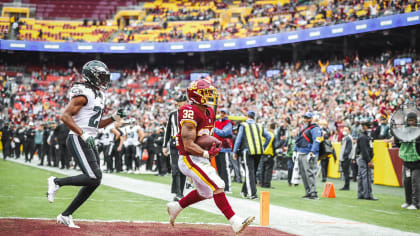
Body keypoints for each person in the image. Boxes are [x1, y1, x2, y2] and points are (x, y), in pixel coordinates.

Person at [166, 79, 255, 234]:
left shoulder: (210, 111)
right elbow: (188, 144)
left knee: (206, 193)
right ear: (196, 95)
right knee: (218, 184)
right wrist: (206, 152)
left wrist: (212, 145)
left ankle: (176, 207)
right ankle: (235, 222)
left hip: (200, 157)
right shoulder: (189, 111)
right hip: (188, 158)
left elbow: (205, 136)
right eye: (206, 93)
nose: (209, 96)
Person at [46, 60, 126, 228]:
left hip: (88, 137)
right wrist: (82, 135)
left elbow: (96, 125)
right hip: (77, 137)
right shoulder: (83, 93)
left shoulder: (99, 94)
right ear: (92, 76)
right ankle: (56, 182)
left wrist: (115, 117)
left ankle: (66, 215)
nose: (105, 80)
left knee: (95, 180)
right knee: (93, 176)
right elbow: (65, 116)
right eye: (102, 77)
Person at [233, 110, 271, 199]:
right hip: (258, 151)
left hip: (248, 151)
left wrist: (235, 151)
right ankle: (244, 191)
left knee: (250, 172)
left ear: (247, 116)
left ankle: (252, 194)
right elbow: (268, 137)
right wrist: (263, 147)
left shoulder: (244, 125)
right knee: (252, 172)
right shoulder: (259, 125)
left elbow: (238, 139)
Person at [390, 112, 420, 210]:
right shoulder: (403, 130)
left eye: (413, 120)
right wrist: (395, 133)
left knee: (416, 182)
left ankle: (416, 203)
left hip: (417, 161)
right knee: (406, 182)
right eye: (409, 120)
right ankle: (408, 201)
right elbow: (398, 143)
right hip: (407, 160)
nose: (411, 122)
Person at [163, 91, 187, 201]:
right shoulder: (173, 114)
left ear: (185, 102)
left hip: (185, 144)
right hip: (174, 143)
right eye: (177, 102)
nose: (178, 103)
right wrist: (164, 145)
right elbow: (167, 130)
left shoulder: (190, 114)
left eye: (180, 102)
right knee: (175, 168)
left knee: (183, 169)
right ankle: (178, 192)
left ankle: (180, 191)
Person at [294, 112, 322, 199]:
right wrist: (295, 150)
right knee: (303, 174)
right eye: (305, 118)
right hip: (301, 152)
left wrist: (312, 152)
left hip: (309, 153)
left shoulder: (315, 128)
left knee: (310, 173)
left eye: (308, 118)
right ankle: (308, 191)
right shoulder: (302, 127)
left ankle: (313, 192)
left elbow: (316, 140)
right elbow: (298, 139)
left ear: (311, 119)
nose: (306, 119)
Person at [356, 119, 378, 200]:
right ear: (365, 127)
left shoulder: (362, 136)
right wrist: (369, 160)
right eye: (369, 126)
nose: (370, 128)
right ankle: (368, 194)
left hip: (361, 158)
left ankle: (361, 194)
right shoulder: (364, 137)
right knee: (367, 177)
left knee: (361, 176)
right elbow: (365, 150)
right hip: (364, 159)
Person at [214, 107, 233, 193]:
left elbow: (224, 133)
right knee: (219, 168)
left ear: (227, 114)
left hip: (225, 148)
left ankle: (227, 187)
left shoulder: (228, 123)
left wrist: (213, 128)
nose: (222, 114)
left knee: (225, 168)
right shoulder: (217, 122)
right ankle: (221, 186)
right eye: (221, 112)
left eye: (224, 113)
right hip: (217, 148)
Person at [260, 122, 276, 188]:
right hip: (269, 153)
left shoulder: (263, 135)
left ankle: (262, 183)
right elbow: (274, 146)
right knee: (268, 170)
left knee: (262, 169)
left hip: (262, 153)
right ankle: (267, 184)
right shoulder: (272, 135)